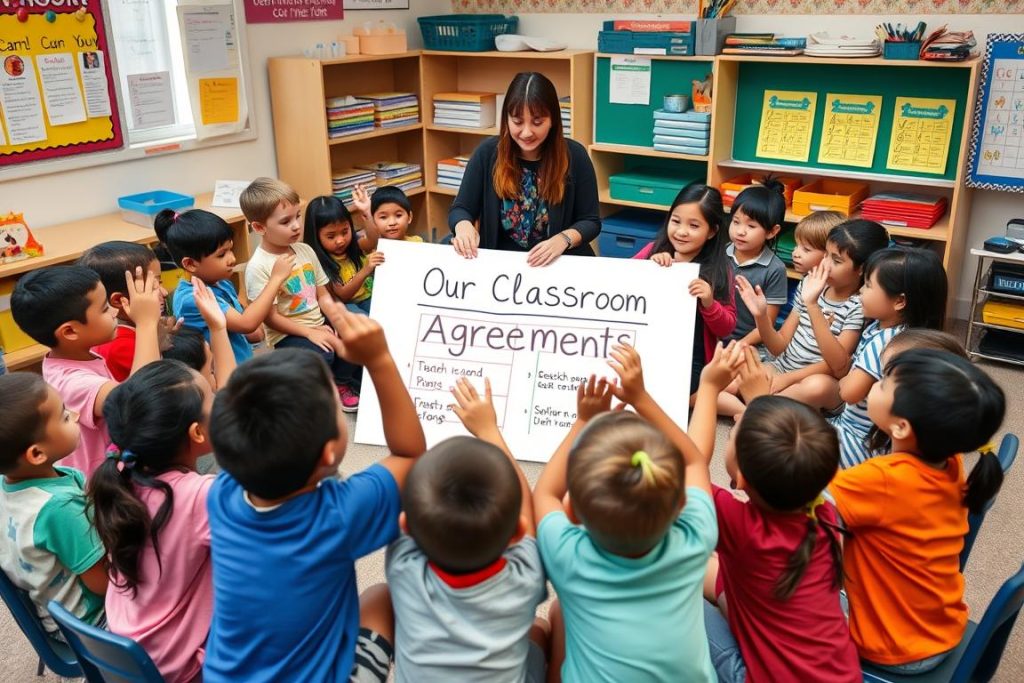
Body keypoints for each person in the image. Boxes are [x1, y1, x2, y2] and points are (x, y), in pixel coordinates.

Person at [203, 303, 426, 682]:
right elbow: (411, 456)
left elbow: (231, 401)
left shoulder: (222, 493)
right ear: (328, 453)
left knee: (374, 597)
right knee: (384, 596)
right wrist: (380, 361)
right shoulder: (337, 516)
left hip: (225, 676)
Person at [535, 357, 717, 681]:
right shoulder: (695, 538)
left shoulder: (568, 556)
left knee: (559, 613)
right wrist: (640, 398)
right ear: (681, 504)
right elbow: (695, 463)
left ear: (572, 512)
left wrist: (584, 420)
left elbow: (545, 494)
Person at [830, 349, 1005, 673]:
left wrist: (761, 409)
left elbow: (798, 493)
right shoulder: (951, 461)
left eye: (884, 383)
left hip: (892, 647)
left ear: (900, 427)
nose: (875, 384)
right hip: (938, 629)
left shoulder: (882, 480)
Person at [695, 345, 859, 683]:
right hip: (841, 675)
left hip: (757, 677)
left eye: (735, 431)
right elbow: (784, 450)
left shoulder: (740, 524)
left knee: (672, 586)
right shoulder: (824, 510)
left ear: (741, 478)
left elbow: (689, 466)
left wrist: (709, 388)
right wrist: (759, 401)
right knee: (709, 565)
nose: (736, 421)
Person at [386, 378, 548, 682]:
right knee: (539, 630)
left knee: (379, 596)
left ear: (406, 526)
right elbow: (526, 507)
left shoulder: (403, 567)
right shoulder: (526, 576)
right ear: (518, 531)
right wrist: (489, 431)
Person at [88, 359, 216, 683]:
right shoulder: (201, 496)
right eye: (213, 399)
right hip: (177, 665)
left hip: (125, 649)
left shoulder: (120, 473)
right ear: (197, 432)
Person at [797, 247, 948, 468]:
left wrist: (847, 378)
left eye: (868, 285)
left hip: (859, 442)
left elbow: (848, 393)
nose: (860, 291)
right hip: (867, 434)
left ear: (900, 301)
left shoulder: (886, 342)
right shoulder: (902, 332)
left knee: (776, 440)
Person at [721, 217, 887, 416]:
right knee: (728, 383)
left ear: (862, 269)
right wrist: (761, 316)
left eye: (836, 260)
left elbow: (838, 367)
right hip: (782, 368)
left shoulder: (860, 305)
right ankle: (754, 411)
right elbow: (779, 346)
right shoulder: (809, 282)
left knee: (817, 386)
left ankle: (761, 411)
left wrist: (812, 305)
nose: (825, 264)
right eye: (826, 255)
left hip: (817, 383)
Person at [11, 265, 163, 476]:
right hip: (101, 484)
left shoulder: (77, 354)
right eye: (104, 308)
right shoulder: (71, 381)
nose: (115, 311)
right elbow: (138, 400)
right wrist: (146, 323)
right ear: (70, 331)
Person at [450, 72, 600, 266]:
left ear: (553, 120)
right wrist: (463, 226)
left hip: (559, 264)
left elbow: (591, 221)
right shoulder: (487, 153)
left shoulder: (575, 156)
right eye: (517, 122)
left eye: (537, 122)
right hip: (502, 266)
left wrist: (563, 239)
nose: (527, 132)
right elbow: (461, 208)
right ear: (506, 119)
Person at [240, 177, 362, 411]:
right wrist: (310, 332)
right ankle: (332, 384)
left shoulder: (305, 250)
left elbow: (323, 295)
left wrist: (337, 318)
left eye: (298, 216)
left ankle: (341, 380)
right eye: (286, 221)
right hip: (287, 334)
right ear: (259, 228)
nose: (296, 226)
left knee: (356, 333)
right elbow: (270, 318)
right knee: (323, 354)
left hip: (317, 321)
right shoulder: (259, 266)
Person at [0, 372, 107, 634]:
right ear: (37, 453)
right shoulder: (59, 508)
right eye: (64, 416)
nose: (76, 415)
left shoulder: (6, 484)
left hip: (54, 616)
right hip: (92, 624)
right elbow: (103, 584)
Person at [633, 182, 735, 395]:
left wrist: (709, 302)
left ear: (712, 231)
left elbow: (726, 328)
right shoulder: (653, 250)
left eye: (694, 226)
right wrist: (647, 268)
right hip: (646, 345)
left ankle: (705, 397)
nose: (681, 232)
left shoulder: (719, 269)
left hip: (691, 358)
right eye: (676, 221)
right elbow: (622, 282)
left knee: (668, 389)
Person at [158, 208, 290, 366]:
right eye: (221, 254)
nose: (232, 259)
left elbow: (251, 332)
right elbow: (247, 324)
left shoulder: (221, 283)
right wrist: (275, 279)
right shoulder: (193, 299)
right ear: (190, 264)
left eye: (230, 249)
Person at [78, 241, 171, 382]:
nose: (164, 293)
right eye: (152, 287)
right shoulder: (121, 346)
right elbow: (157, 385)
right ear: (119, 300)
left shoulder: (109, 330)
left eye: (160, 282)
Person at [724, 181, 788, 345]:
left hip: (749, 343)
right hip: (713, 337)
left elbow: (767, 324)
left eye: (751, 226)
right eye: (736, 222)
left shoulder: (775, 269)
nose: (740, 231)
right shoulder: (719, 253)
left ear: (772, 231)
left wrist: (738, 347)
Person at [304, 193, 382, 315]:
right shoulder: (319, 261)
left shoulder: (354, 245)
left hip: (368, 297)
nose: (340, 240)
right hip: (346, 304)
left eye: (345, 232)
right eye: (331, 236)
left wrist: (367, 212)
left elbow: (373, 241)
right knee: (363, 321)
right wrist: (365, 270)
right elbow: (343, 295)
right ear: (316, 236)